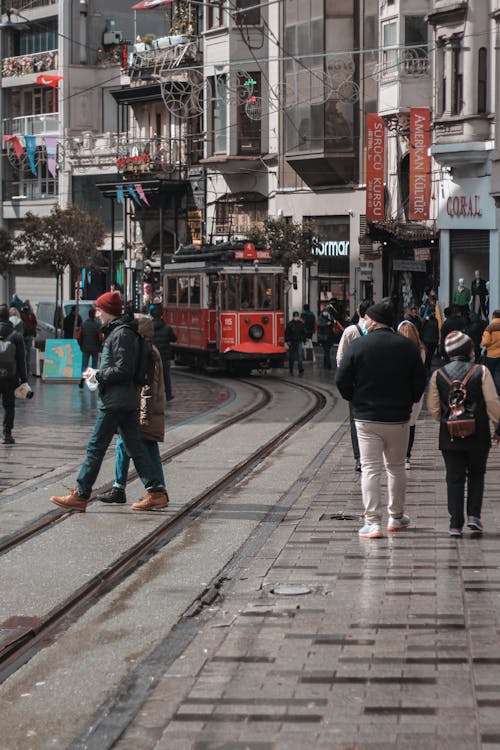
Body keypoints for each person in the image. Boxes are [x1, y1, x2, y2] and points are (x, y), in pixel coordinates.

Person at [49, 291, 169, 512]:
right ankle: (156, 492)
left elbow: (124, 369)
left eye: (98, 310)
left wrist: (99, 375)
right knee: (136, 447)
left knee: (96, 447)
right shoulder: (120, 332)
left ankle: (81, 493)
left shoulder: (121, 334)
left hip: (116, 402)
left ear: (107, 311)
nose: (96, 314)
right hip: (122, 400)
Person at [335, 302, 427, 539]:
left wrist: (355, 400)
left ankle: (373, 522)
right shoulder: (407, 347)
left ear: (373, 321)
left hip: (366, 418)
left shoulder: (358, 346)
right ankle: (396, 517)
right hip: (397, 418)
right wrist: (408, 402)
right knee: (396, 468)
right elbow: (419, 382)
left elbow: (341, 379)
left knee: (370, 469)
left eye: (366, 318)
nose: (364, 321)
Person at [427, 331, 500, 537]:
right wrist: (498, 426)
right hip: (478, 433)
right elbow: (493, 403)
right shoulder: (481, 371)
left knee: (454, 478)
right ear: (469, 350)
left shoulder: (438, 374)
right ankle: (474, 517)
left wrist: (449, 417)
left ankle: (455, 524)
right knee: (477, 474)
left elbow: (433, 409)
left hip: (450, 434)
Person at [96, 314, 166, 506]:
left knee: (137, 447)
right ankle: (152, 490)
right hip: (148, 408)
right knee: (139, 447)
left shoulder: (146, 352)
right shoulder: (147, 350)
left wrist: (143, 413)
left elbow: (149, 386)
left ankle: (150, 490)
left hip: (145, 409)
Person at [336, 299, 373, 471]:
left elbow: (340, 358)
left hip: (356, 384)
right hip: (374, 383)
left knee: (355, 420)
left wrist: (346, 382)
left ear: (358, 311)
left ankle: (359, 457)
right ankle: (371, 455)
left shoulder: (350, 331)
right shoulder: (380, 331)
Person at [397, 320, 426, 470]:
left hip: (399, 392)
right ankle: (407, 456)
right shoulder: (420, 350)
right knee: (411, 424)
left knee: (398, 425)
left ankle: (399, 454)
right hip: (415, 393)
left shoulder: (395, 350)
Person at [0, 304, 27, 444]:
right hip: (10, 376)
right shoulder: (16, 336)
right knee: (9, 405)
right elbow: (21, 360)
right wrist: (24, 379)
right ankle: (7, 434)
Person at [150, 304, 177, 401]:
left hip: (153, 356)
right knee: (166, 376)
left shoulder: (150, 328)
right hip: (165, 356)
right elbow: (174, 339)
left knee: (153, 377)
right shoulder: (167, 328)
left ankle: (154, 395)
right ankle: (168, 395)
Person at [78, 308, 102, 389]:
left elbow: (79, 336)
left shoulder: (84, 324)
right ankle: (92, 381)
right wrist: (99, 345)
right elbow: (100, 337)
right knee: (94, 365)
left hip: (85, 347)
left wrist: (81, 345)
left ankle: (83, 378)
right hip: (95, 348)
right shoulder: (98, 324)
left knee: (84, 364)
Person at [481, 310, 500, 393]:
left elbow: (486, 342)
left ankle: (493, 391)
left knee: (491, 373)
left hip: (491, 355)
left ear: (493, 317)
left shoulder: (489, 328)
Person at [284, 311, 306, 375]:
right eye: (295, 316)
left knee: (299, 356)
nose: (296, 317)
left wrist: (304, 340)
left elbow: (303, 332)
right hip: (292, 341)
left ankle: (300, 369)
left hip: (298, 341)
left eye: (297, 316)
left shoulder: (300, 324)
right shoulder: (290, 324)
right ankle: (291, 368)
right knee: (292, 356)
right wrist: (287, 340)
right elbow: (287, 333)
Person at [20, 300, 37, 378]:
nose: (26, 307)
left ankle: (26, 371)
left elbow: (34, 323)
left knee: (26, 356)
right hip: (25, 336)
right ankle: (25, 372)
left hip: (27, 336)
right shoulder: (23, 314)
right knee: (25, 355)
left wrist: (33, 331)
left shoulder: (30, 314)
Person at [421, 305, 440, 373]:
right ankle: (425, 369)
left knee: (430, 356)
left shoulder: (436, 320)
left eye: (434, 312)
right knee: (426, 356)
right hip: (426, 341)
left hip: (433, 341)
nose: (434, 313)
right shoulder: (425, 320)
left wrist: (437, 339)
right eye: (432, 312)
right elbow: (421, 329)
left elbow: (436, 330)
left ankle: (428, 369)